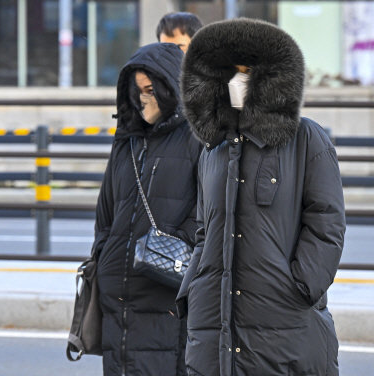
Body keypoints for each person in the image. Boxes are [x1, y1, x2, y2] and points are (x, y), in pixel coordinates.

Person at [176, 19, 345, 375]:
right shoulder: (213, 150)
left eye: (246, 71)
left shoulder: (306, 140)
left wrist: (300, 286)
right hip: (213, 325)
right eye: (228, 72)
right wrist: (193, 287)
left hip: (283, 326)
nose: (237, 81)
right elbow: (204, 230)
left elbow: (326, 221)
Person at [93, 42, 202, 375]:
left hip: (164, 292)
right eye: (136, 90)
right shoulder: (127, 137)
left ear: (172, 88)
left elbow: (207, 212)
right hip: (119, 297)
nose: (143, 99)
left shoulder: (196, 136)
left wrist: (170, 252)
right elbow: (106, 212)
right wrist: (104, 260)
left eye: (151, 90)